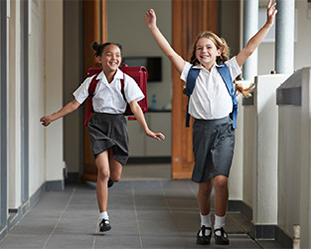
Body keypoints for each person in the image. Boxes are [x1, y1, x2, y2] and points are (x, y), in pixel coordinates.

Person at [144, 0, 276, 245]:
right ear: (195, 53)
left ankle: (220, 227)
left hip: (225, 129)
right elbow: (170, 52)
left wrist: (268, 23)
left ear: (218, 50)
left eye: (208, 47)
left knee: (221, 180)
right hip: (202, 130)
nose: (203, 51)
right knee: (204, 183)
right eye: (199, 48)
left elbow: (249, 48)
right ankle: (204, 225)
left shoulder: (229, 68)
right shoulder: (189, 72)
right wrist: (154, 28)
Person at [40, 42, 165, 232]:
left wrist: (147, 130)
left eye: (117, 55)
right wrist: (52, 117)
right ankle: (103, 217)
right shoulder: (92, 81)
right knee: (103, 172)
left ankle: (107, 182)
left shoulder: (126, 81)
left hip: (118, 126)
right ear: (99, 58)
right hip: (98, 125)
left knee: (115, 175)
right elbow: (75, 103)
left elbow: (135, 107)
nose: (114, 58)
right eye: (108, 54)